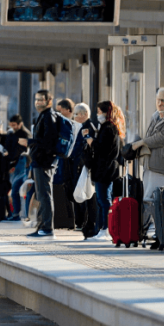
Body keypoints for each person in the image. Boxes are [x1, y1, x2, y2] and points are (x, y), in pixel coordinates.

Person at [131, 88, 164, 244]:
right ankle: (154, 231)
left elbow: (160, 138)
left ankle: (160, 232)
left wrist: (141, 143)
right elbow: (151, 136)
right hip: (150, 164)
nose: (160, 103)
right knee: (149, 198)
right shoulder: (156, 116)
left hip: (163, 166)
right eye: (158, 100)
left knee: (159, 200)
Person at [19, 90, 60, 238]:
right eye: (36, 99)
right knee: (41, 196)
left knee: (45, 196)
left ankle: (47, 228)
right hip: (40, 161)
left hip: (44, 162)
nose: (38, 102)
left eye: (41, 100)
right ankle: (42, 226)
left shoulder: (49, 117)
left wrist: (29, 142)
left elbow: (49, 142)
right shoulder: (43, 116)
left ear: (49, 101)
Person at [85, 101, 124, 238]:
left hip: (104, 170)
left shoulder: (108, 128)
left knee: (104, 200)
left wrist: (91, 142)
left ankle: (106, 229)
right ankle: (103, 228)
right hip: (106, 169)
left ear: (106, 113)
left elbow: (103, 149)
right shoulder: (110, 127)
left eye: (99, 112)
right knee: (102, 199)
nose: (98, 115)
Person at [68, 102, 99, 238]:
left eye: (76, 114)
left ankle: (87, 222)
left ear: (84, 114)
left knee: (87, 195)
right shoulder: (80, 126)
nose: (74, 117)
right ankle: (82, 222)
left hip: (84, 166)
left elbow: (86, 147)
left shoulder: (89, 127)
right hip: (79, 164)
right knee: (81, 194)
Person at [1, 115, 31, 222]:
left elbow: (20, 150)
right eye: (11, 125)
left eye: (14, 125)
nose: (13, 127)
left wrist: (12, 163)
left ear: (20, 124)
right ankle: (16, 214)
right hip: (15, 164)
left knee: (21, 190)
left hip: (22, 164)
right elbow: (7, 147)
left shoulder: (25, 134)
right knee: (14, 191)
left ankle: (23, 214)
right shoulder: (11, 133)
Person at [55, 99, 79, 226]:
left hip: (66, 161)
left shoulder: (69, 124)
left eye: (60, 110)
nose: (57, 113)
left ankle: (66, 220)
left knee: (66, 189)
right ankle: (66, 220)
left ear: (67, 110)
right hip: (66, 160)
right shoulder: (67, 124)